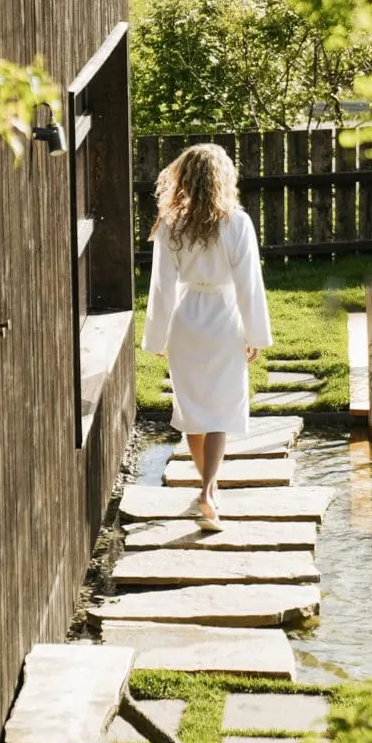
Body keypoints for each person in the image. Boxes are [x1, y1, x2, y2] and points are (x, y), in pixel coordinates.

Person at [141, 143, 274, 531]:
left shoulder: (171, 224)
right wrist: (255, 334)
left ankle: (208, 490)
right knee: (220, 412)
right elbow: (249, 285)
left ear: (184, 177)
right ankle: (207, 492)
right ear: (222, 178)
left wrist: (158, 338)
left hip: (186, 322)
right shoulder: (237, 222)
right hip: (224, 321)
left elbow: (161, 288)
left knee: (194, 412)